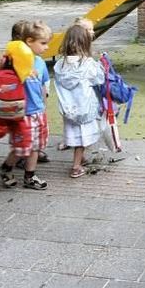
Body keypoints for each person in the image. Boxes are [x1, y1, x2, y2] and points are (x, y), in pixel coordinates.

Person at [0, 20, 51, 190]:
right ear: (29, 41)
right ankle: (5, 168)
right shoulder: (14, 62)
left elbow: (43, 85)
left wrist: (43, 106)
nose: (47, 47)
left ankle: (30, 176)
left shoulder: (40, 62)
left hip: (38, 112)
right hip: (22, 113)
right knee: (21, 147)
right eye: (43, 43)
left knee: (35, 146)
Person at [53, 24, 105, 178]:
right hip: (84, 106)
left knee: (74, 134)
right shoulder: (87, 64)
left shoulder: (60, 64)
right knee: (82, 138)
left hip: (68, 108)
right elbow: (99, 78)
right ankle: (76, 166)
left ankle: (81, 158)